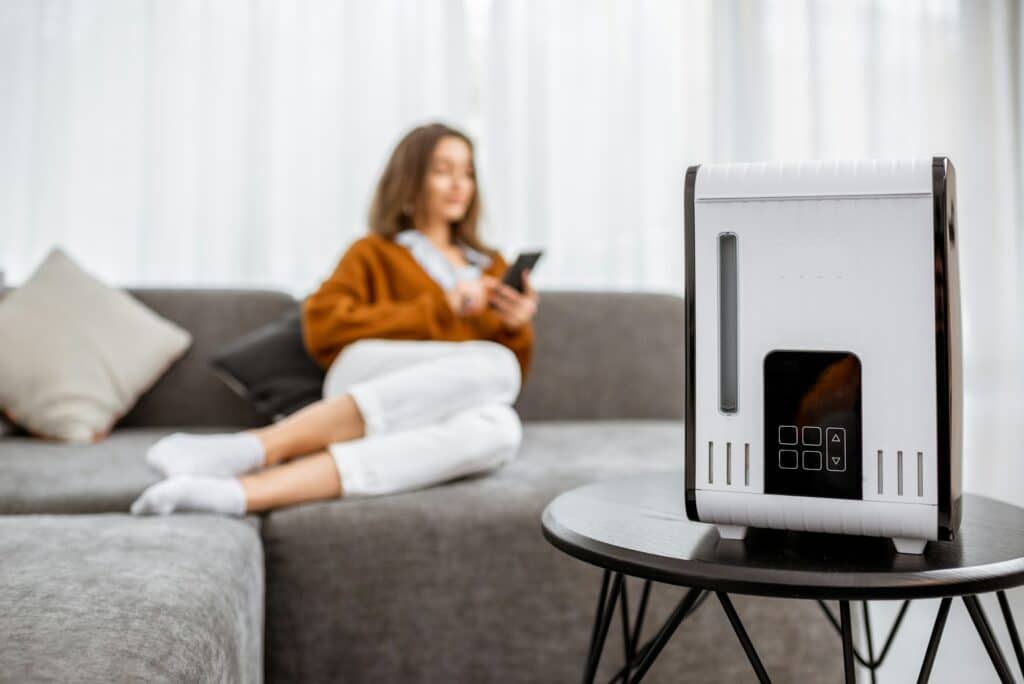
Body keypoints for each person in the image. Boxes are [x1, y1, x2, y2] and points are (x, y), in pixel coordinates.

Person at [130, 123, 538, 516]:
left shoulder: (489, 265)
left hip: (431, 406)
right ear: (411, 180)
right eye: (442, 171)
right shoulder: (373, 252)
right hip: (361, 377)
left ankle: (240, 493)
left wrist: (514, 327)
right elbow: (324, 326)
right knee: (495, 364)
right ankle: (258, 446)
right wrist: (441, 307)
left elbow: (502, 384)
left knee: (500, 428)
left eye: (467, 173)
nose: (458, 185)